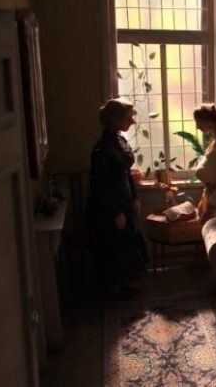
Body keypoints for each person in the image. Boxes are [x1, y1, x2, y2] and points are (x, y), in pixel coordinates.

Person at [86, 98, 147, 299]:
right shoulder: (102, 149)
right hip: (107, 206)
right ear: (115, 119)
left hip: (124, 199)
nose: (132, 122)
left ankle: (124, 286)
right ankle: (112, 292)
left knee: (127, 243)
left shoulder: (120, 141)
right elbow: (100, 184)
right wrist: (115, 212)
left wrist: (134, 197)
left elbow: (126, 173)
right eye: (128, 118)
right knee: (112, 248)